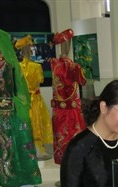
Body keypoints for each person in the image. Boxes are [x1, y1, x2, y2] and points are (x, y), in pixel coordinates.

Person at [0, 21, 42, 187]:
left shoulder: (4, 67)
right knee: (12, 148)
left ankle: (22, 181)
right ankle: (18, 181)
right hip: (9, 116)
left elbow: (19, 94)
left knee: (16, 147)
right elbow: (18, 94)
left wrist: (15, 105)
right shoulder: (6, 66)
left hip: (9, 115)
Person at [51, 28, 87, 165]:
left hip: (58, 111)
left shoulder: (54, 63)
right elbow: (83, 81)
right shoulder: (72, 66)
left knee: (60, 139)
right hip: (71, 111)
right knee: (72, 139)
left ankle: (64, 168)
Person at [16, 35, 54, 158]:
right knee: (37, 122)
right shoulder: (36, 67)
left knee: (27, 122)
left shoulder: (19, 67)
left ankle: (28, 149)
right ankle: (38, 150)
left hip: (24, 100)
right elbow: (40, 81)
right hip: (35, 99)